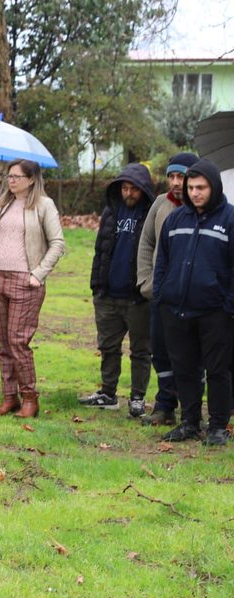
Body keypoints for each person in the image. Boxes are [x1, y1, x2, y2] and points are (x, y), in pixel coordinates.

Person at [153, 159, 234, 446]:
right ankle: (190, 422)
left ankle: (217, 426)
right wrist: (161, 295)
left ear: (214, 187)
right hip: (176, 309)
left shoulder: (230, 219)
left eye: (201, 187)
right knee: (184, 369)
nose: (195, 193)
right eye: (191, 188)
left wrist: (228, 306)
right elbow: (162, 260)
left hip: (215, 312)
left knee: (218, 370)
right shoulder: (176, 219)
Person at [0, 159, 66, 418]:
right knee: (3, 342)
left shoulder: (44, 205)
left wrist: (38, 274)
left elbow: (58, 243)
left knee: (18, 341)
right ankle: (9, 397)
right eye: (9, 176)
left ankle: (29, 398)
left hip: (25, 282)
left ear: (31, 179)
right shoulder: (4, 203)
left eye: (17, 176)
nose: (11, 180)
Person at [79, 163, 155, 412]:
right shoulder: (111, 212)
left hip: (138, 297)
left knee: (140, 350)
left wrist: (147, 288)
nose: (129, 193)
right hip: (108, 294)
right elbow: (100, 251)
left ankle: (137, 397)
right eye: (125, 188)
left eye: (134, 189)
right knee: (108, 347)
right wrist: (97, 286)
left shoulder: (151, 215)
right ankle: (108, 393)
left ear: (144, 190)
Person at [134, 152, 197, 426]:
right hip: (161, 295)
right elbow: (146, 242)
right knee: (160, 352)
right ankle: (164, 406)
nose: (175, 182)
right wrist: (146, 282)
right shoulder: (161, 203)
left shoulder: (204, 208)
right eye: (171, 176)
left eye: (181, 176)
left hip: (194, 299)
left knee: (191, 355)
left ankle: (192, 411)